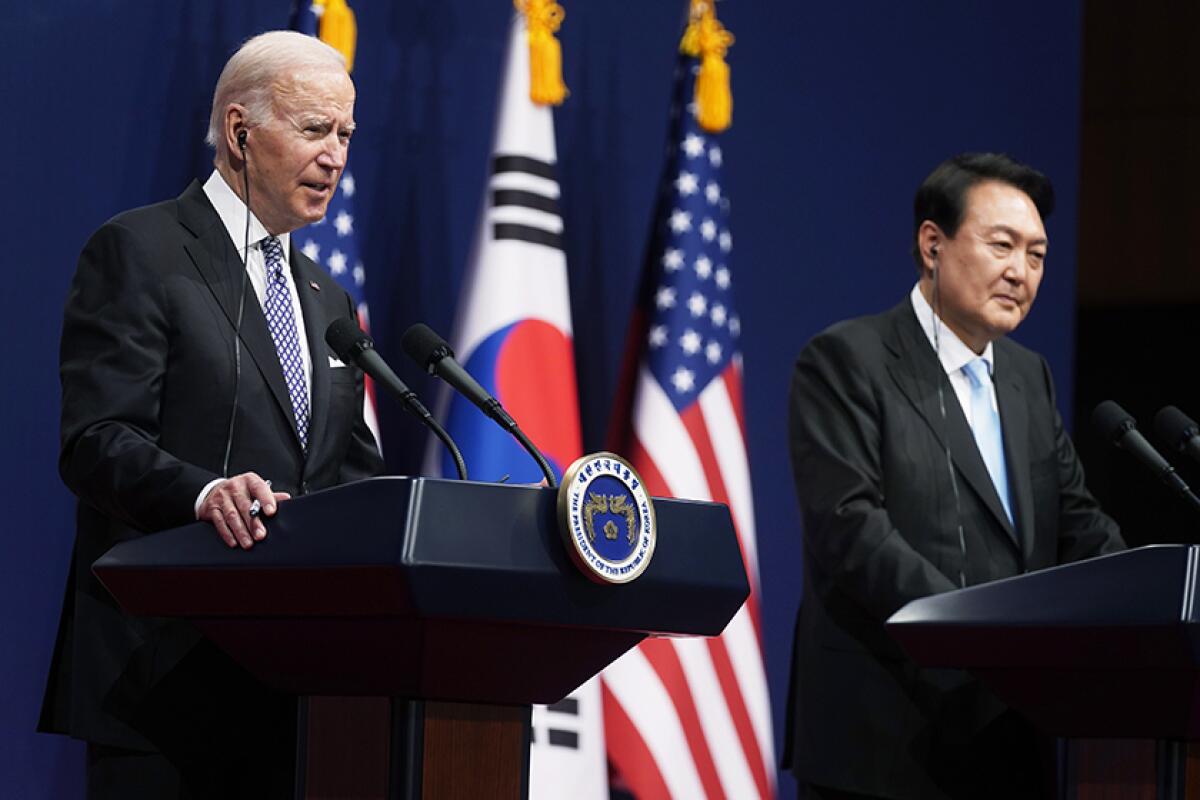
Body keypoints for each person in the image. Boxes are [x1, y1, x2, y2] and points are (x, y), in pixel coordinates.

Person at [38, 30, 384, 798]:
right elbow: (96, 440)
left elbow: (348, 476)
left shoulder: (328, 299)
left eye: (346, 135)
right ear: (239, 130)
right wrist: (203, 494)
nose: (336, 156)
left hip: (296, 692)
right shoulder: (140, 250)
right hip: (163, 680)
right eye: (315, 130)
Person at [783, 153, 1124, 800]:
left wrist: (1154, 606)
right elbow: (850, 529)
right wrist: (980, 640)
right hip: (882, 742)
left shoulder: (1028, 378)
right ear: (932, 244)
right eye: (1002, 245)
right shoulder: (846, 361)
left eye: (1038, 256)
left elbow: (1080, 527)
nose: (1021, 272)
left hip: (1009, 742)